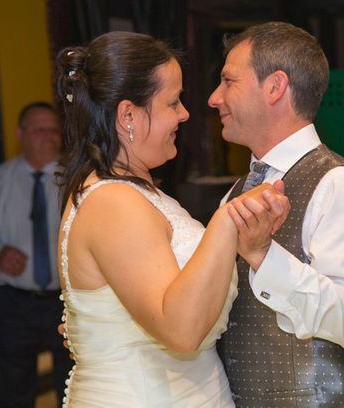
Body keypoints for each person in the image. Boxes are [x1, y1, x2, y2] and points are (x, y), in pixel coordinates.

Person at [54, 31, 289, 407]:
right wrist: (227, 222)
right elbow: (179, 330)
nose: (185, 113)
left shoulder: (134, 193)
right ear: (128, 115)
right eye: (172, 102)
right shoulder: (114, 201)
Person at [208, 21, 344, 406]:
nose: (214, 98)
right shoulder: (234, 194)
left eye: (228, 82)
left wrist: (263, 255)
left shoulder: (341, 185)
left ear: (275, 87)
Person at [0, 102, 74, 407]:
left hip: (68, 302)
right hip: (13, 303)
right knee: (14, 387)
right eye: (39, 129)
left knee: (73, 385)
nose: (48, 136)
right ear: (20, 134)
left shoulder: (75, 181)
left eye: (53, 129)